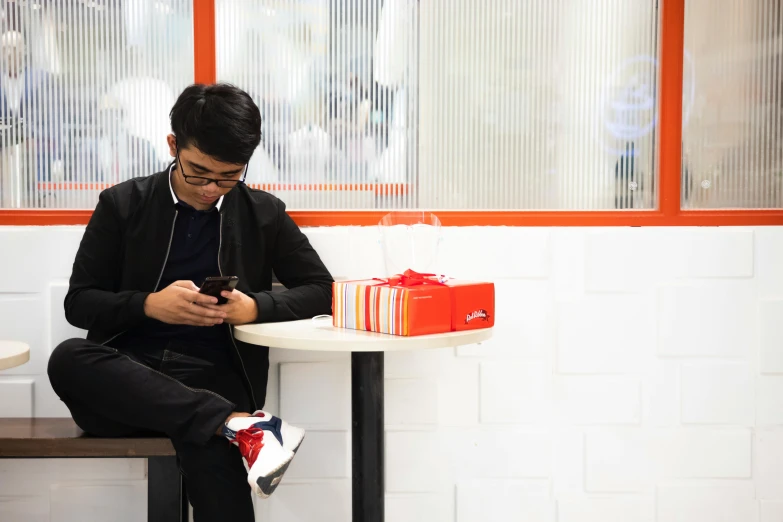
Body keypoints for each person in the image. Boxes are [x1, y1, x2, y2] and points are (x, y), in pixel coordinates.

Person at [47, 83, 334, 522]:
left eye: (229, 175)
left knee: (211, 456)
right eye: (198, 171)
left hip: (211, 382)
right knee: (67, 358)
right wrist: (148, 305)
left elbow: (322, 289)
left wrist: (254, 308)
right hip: (127, 383)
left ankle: (230, 423)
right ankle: (239, 424)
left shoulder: (263, 213)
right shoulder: (123, 204)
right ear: (173, 145)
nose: (211, 188)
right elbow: (80, 303)